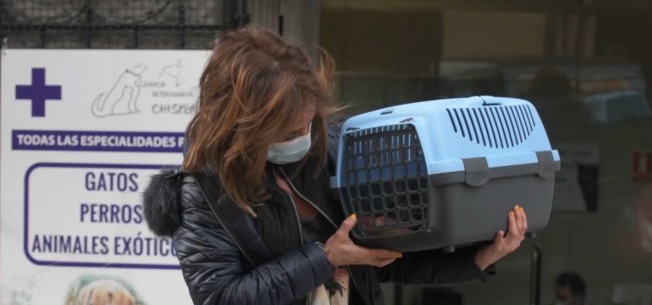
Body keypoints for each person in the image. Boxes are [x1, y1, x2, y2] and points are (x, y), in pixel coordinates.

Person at [143, 26, 529, 305]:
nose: (305, 136)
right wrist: (325, 258)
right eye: (289, 130)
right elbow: (220, 298)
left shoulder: (337, 147)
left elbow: (385, 261)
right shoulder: (203, 193)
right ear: (246, 130)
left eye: (309, 122)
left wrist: (480, 258)